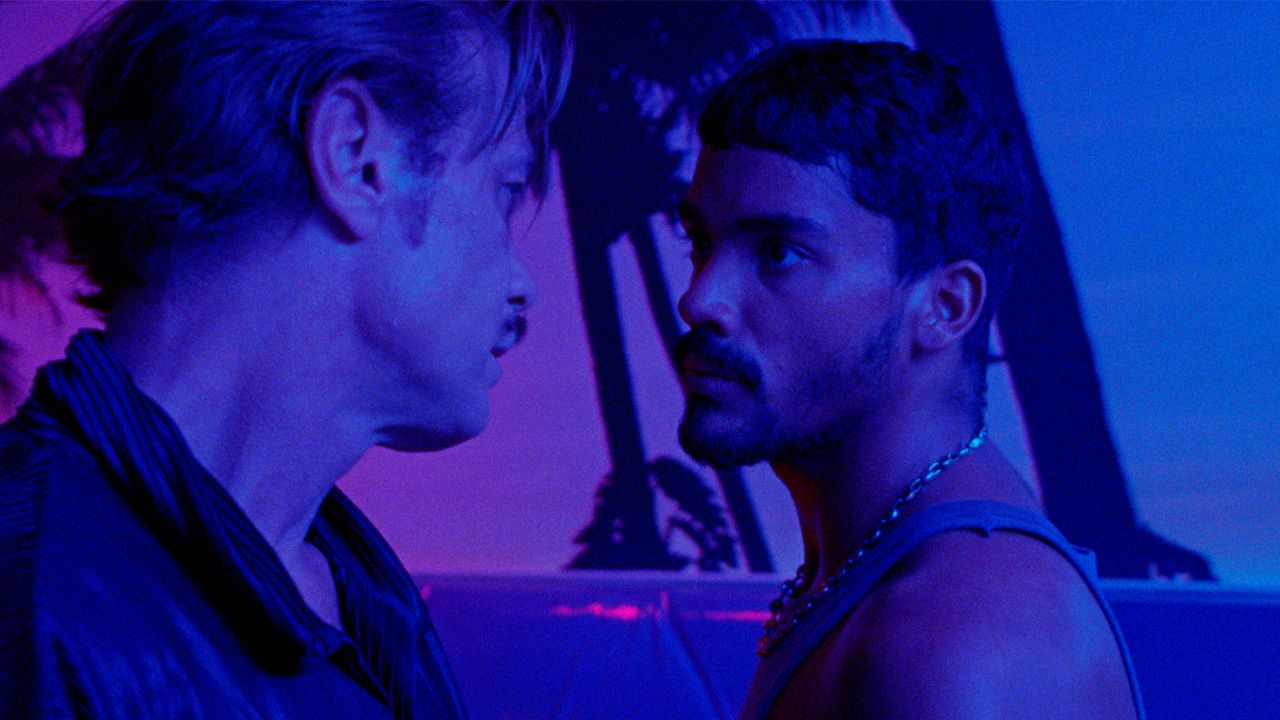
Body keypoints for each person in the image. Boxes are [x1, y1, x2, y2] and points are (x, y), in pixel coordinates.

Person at [0, 2, 570, 718]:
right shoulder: (33, 603)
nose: (522, 283)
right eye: (505, 190)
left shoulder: (363, 592)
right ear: (356, 155)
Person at [673, 40, 1144, 719]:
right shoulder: (882, 579)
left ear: (944, 306)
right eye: (700, 244)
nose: (699, 299)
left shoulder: (959, 639)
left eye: (778, 253)